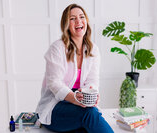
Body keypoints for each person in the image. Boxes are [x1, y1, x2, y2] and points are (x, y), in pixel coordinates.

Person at [36, 3, 114, 133]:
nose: (78, 21)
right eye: (72, 18)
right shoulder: (57, 49)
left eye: (81, 17)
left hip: (79, 106)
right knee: (90, 114)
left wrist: (92, 95)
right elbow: (54, 83)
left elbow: (92, 81)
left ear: (86, 21)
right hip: (56, 106)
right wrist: (76, 99)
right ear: (66, 25)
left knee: (88, 124)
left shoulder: (93, 49)